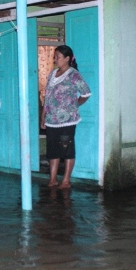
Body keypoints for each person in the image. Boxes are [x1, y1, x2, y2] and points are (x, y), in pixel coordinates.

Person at [40, 45, 91, 189]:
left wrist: (73, 105)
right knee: (52, 150)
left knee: (66, 149)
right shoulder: (52, 74)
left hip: (67, 120)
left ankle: (66, 181)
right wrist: (43, 116)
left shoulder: (73, 75)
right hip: (51, 120)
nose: (55, 59)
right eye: (54, 56)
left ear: (67, 58)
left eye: (58, 57)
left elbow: (86, 93)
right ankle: (53, 179)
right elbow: (47, 97)